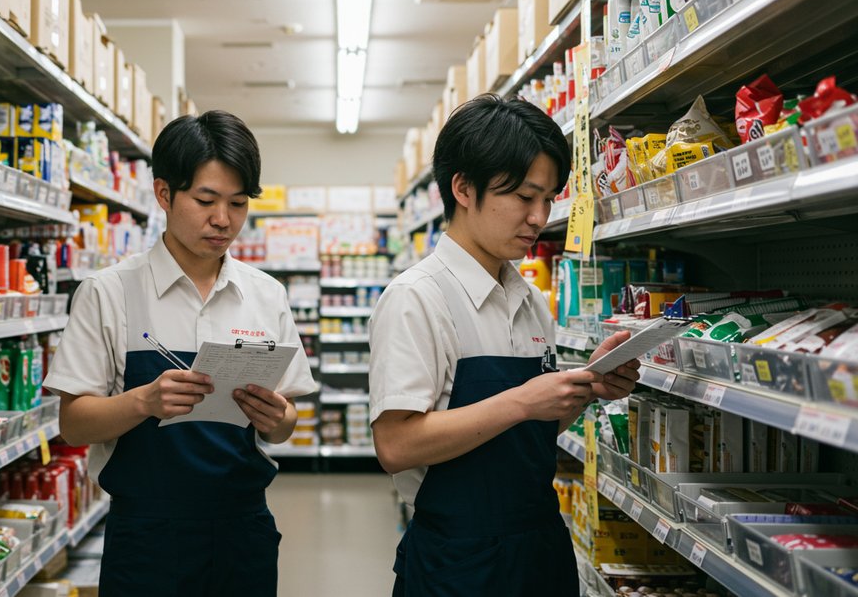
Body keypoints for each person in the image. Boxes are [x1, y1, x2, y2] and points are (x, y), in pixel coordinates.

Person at [368, 94, 642, 596]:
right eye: (523, 196)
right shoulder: (417, 298)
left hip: (539, 547)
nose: (539, 217)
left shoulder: (530, 298)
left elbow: (526, 430)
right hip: (460, 561)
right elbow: (395, 445)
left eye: (549, 198)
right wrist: (520, 401)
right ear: (464, 188)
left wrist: (584, 389)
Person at [43, 110, 316, 597]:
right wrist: (142, 402)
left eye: (237, 203)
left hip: (243, 528)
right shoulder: (109, 292)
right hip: (149, 536)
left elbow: (287, 421)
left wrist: (277, 418)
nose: (223, 220)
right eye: (206, 200)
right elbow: (73, 423)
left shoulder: (265, 294)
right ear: (164, 194)